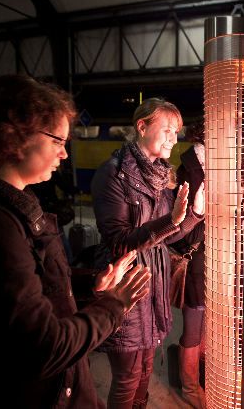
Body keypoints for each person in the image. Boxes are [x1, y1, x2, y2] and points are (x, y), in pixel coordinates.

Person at [0, 75, 152, 409]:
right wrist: (114, 306)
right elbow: (44, 347)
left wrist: (92, 282)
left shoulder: (11, 205)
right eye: (57, 140)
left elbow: (35, 281)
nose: (65, 154)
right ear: (13, 136)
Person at [91, 98, 205, 409]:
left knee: (144, 371)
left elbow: (167, 237)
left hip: (152, 281)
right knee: (127, 378)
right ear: (142, 127)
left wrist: (194, 212)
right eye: (167, 130)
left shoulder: (161, 176)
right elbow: (118, 242)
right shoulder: (113, 174)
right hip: (125, 281)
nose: (174, 138)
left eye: (177, 132)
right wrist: (171, 220)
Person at [171, 119, 207, 408]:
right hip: (198, 257)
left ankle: (204, 375)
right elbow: (177, 225)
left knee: (211, 323)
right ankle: (189, 386)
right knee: (194, 324)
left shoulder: (222, 165)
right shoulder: (189, 169)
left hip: (219, 256)